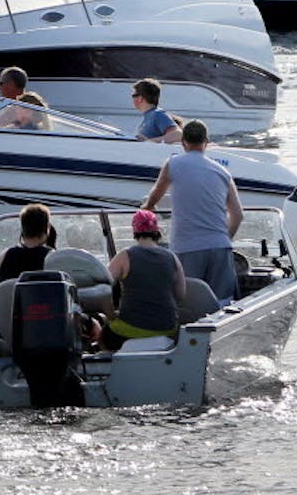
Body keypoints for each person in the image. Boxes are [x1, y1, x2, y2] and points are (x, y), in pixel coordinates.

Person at [142, 119, 243, 304]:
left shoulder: (173, 164)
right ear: (206, 142)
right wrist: (224, 238)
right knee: (223, 304)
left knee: (187, 303)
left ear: (183, 142)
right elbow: (237, 215)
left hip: (187, 247)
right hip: (219, 246)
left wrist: (147, 207)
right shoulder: (223, 172)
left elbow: (156, 194)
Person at [101, 210, 186, 352]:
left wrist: (110, 314)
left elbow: (103, 289)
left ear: (135, 231)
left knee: (104, 335)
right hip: (167, 329)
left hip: (131, 329)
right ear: (156, 231)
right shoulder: (172, 258)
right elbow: (181, 294)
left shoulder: (125, 256)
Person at [0, 203, 55, 285]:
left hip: (10, 298)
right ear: (47, 228)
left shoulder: (3, 257)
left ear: (23, 228)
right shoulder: (53, 258)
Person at [132, 77, 182, 144]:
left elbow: (178, 134)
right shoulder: (150, 116)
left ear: (140, 98)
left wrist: (148, 142)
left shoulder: (157, 114)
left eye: (133, 95)